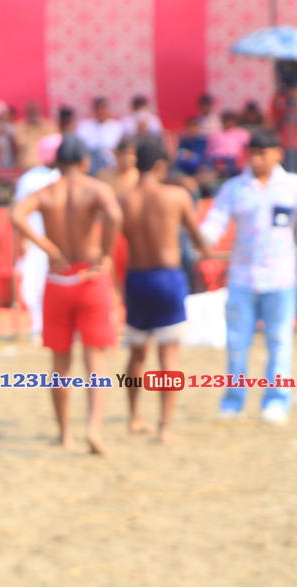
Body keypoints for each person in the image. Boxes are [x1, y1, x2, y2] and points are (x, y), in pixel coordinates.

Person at [10, 134, 123, 454]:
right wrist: (106, 254)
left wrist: (47, 247)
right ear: (85, 162)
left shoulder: (46, 192)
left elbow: (16, 215)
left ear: (56, 162)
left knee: (61, 360)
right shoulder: (96, 189)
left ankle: (64, 434)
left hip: (59, 278)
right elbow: (115, 216)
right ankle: (94, 428)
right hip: (90, 277)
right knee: (95, 357)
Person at [200, 128, 297, 425]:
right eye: (252, 153)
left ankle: (276, 401)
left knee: (280, 340)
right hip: (242, 277)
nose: (256, 159)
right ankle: (233, 401)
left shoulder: (292, 186)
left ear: (277, 154)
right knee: (237, 343)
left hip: (280, 277)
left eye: (262, 153)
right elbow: (215, 221)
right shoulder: (235, 188)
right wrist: (203, 237)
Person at [119, 136, 208, 443]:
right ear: (160, 165)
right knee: (168, 355)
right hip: (168, 278)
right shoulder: (176, 196)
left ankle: (135, 417)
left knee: (136, 352)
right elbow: (197, 238)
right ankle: (165, 426)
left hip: (136, 279)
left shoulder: (123, 199)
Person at [13, 133, 62, 340]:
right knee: (35, 283)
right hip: (36, 238)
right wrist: (25, 241)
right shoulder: (31, 178)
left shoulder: (62, 176)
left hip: (59, 240)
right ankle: (38, 325)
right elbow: (19, 212)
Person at [76, 96, 123, 175]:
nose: (100, 111)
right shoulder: (84, 126)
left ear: (109, 109)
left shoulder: (117, 127)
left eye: (103, 107)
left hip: (112, 167)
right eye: (98, 108)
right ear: (93, 110)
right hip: (91, 167)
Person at [13, 100, 58, 171]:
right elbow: (19, 144)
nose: (33, 113)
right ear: (26, 112)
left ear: (40, 110)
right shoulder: (19, 127)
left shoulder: (51, 126)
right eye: (31, 110)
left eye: (35, 110)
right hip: (26, 167)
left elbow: (55, 145)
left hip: (48, 167)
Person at [206, 110, 251, 176]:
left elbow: (250, 146)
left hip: (233, 160)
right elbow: (209, 151)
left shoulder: (241, 133)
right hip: (216, 159)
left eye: (230, 120)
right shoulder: (215, 134)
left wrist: (244, 159)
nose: (228, 122)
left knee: (233, 164)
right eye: (226, 120)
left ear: (234, 121)